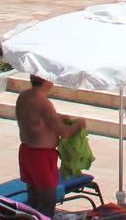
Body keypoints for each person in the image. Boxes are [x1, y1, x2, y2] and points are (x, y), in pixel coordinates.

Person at [15, 74, 84, 216]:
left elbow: (38, 120)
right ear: (46, 81)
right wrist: (80, 124)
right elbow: (64, 132)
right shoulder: (44, 102)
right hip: (41, 156)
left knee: (33, 200)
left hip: (26, 152)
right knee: (47, 202)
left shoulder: (23, 96)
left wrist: (58, 117)